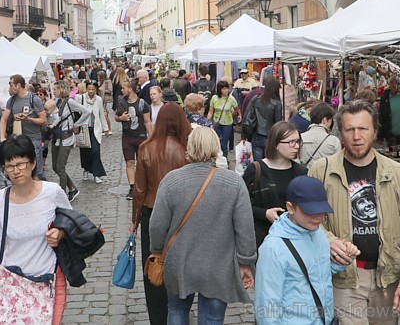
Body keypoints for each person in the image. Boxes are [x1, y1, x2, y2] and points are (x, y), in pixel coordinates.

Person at [309, 100, 400, 324]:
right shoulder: (321, 171)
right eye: (349, 129)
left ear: (375, 131)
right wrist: (328, 239)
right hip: (344, 278)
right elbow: (305, 221)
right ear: (340, 132)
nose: (356, 136)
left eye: (363, 128)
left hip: (387, 278)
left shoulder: (398, 174)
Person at [149, 127, 256, 324]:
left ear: (189, 147)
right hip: (218, 264)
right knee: (212, 318)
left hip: (179, 261)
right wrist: (246, 260)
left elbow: (156, 225)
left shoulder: (171, 181)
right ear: (216, 148)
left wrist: (156, 249)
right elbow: (245, 228)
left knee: (177, 310)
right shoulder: (234, 182)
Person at [0, 135, 71, 323]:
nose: (16, 171)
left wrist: (61, 233)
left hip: (47, 281)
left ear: (33, 163)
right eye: (10, 166)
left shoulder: (52, 192)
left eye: (21, 164)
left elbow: (72, 224)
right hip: (11, 284)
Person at [254, 176, 360, 325]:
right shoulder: (273, 248)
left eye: (322, 210)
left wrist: (342, 260)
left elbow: (318, 273)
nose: (318, 217)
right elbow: (267, 308)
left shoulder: (318, 233)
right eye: (310, 211)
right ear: (290, 207)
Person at [131, 103, 193, 325]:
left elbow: (139, 190)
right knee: (181, 265)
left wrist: (134, 221)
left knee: (153, 266)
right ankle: (179, 310)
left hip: (152, 213)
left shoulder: (146, 148)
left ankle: (158, 318)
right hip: (183, 215)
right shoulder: (187, 147)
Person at [244, 121, 307, 247]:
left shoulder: (301, 171)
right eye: (291, 142)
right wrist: (264, 213)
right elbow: (241, 205)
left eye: (298, 141)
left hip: (295, 239)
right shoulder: (256, 170)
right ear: (276, 144)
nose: (296, 146)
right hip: (262, 239)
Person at [0, 74, 47, 180]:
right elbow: (3, 119)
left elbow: (43, 120)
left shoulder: (33, 99)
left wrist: (28, 118)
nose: (9, 88)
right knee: (21, 170)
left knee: (35, 171)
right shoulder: (11, 100)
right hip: (19, 140)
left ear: (18, 85)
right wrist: (2, 137)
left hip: (33, 139)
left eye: (11, 84)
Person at [51, 81, 91, 200]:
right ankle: (72, 188)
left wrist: (77, 124)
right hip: (57, 137)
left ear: (61, 89)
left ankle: (62, 194)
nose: (54, 91)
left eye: (55, 89)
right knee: (55, 167)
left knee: (60, 167)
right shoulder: (58, 102)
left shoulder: (70, 101)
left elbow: (87, 112)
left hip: (66, 137)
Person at [115, 80, 153, 200]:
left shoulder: (143, 104)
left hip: (141, 137)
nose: (122, 90)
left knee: (142, 163)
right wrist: (121, 118)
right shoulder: (121, 102)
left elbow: (147, 122)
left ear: (130, 89)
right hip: (127, 137)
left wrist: (151, 138)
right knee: (129, 162)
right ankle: (132, 187)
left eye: (123, 88)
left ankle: (143, 186)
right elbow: (116, 117)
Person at [74, 80, 110, 184]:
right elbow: (75, 112)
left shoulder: (98, 99)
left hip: (95, 128)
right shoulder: (80, 98)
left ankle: (97, 174)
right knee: (85, 151)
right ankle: (86, 169)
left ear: (96, 89)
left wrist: (106, 128)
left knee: (95, 151)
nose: (91, 91)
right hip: (83, 128)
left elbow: (101, 115)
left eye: (93, 89)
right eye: (89, 89)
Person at [243, 78, 283, 162]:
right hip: (270, 138)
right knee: (269, 163)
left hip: (256, 134)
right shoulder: (277, 103)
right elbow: (278, 123)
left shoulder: (256, 99)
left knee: (258, 164)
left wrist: (245, 135)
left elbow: (247, 116)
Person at [300, 102, 342, 167]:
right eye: (331, 120)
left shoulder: (301, 138)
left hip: (304, 175)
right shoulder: (334, 141)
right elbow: (337, 165)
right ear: (324, 120)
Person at [207, 80, 239, 158]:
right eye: (223, 89)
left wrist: (231, 115)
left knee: (224, 144)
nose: (226, 90)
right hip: (216, 122)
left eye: (227, 88)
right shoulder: (214, 98)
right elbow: (211, 111)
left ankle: (224, 159)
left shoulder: (231, 99)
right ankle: (216, 158)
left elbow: (236, 109)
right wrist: (207, 121)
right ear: (219, 89)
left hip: (227, 123)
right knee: (216, 142)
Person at [97, 70, 113, 135]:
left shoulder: (107, 82)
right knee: (103, 115)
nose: (97, 77)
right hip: (101, 100)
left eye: (99, 76)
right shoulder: (99, 82)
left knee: (105, 115)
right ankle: (104, 129)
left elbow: (110, 90)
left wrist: (103, 90)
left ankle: (109, 129)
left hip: (107, 100)